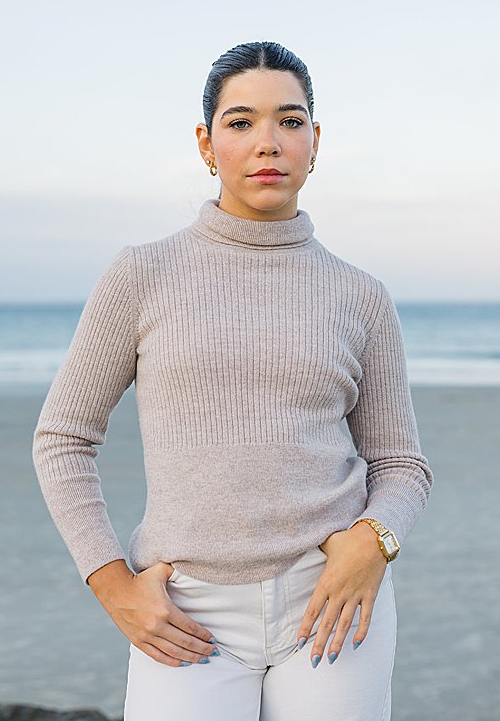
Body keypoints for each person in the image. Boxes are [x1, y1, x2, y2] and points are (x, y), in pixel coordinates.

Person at [32, 41, 433, 721]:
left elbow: (401, 463)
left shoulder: (360, 295)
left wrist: (376, 540)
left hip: (330, 597)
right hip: (186, 611)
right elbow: (62, 439)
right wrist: (111, 584)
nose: (267, 143)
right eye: (241, 122)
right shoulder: (141, 275)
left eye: (291, 121)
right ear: (205, 143)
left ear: (315, 141)